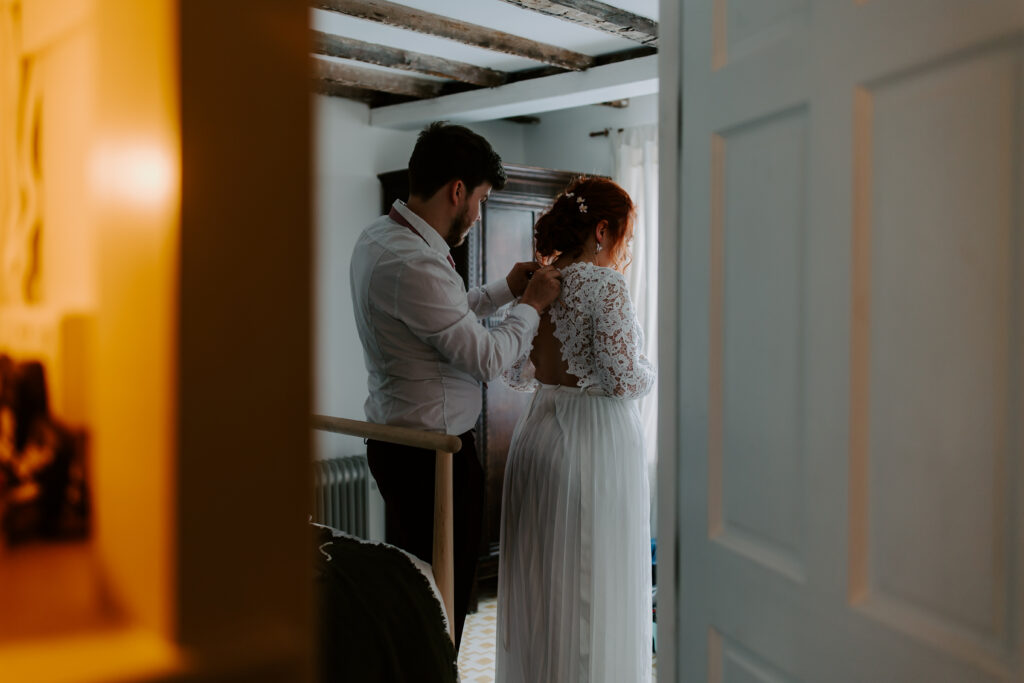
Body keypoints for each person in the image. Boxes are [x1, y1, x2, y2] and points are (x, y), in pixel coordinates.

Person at [349, 121, 562, 648]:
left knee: (415, 595)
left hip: (401, 445)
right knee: (441, 607)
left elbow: (436, 321)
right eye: (483, 200)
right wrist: (532, 306)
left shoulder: (382, 237)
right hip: (433, 461)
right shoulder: (414, 260)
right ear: (458, 191)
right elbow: (487, 357)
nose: (479, 213)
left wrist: (501, 293)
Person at [496, 176, 656, 682]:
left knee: (543, 581)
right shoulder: (603, 285)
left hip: (539, 431)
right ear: (604, 230)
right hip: (593, 441)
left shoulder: (539, 281)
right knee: (592, 584)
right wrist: (654, 368)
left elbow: (513, 372)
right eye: (626, 237)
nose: (624, 250)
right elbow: (622, 376)